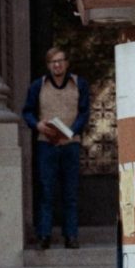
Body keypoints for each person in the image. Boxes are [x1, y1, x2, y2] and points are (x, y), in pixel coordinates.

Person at [22, 46, 90, 250]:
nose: (57, 65)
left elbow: (84, 112)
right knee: (46, 190)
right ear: (48, 65)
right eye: (53, 62)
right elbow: (27, 112)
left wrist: (72, 131)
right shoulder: (38, 86)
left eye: (60, 61)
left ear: (67, 63)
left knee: (70, 191)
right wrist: (37, 125)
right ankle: (44, 235)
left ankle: (71, 235)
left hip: (70, 144)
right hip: (47, 144)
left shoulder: (79, 84)